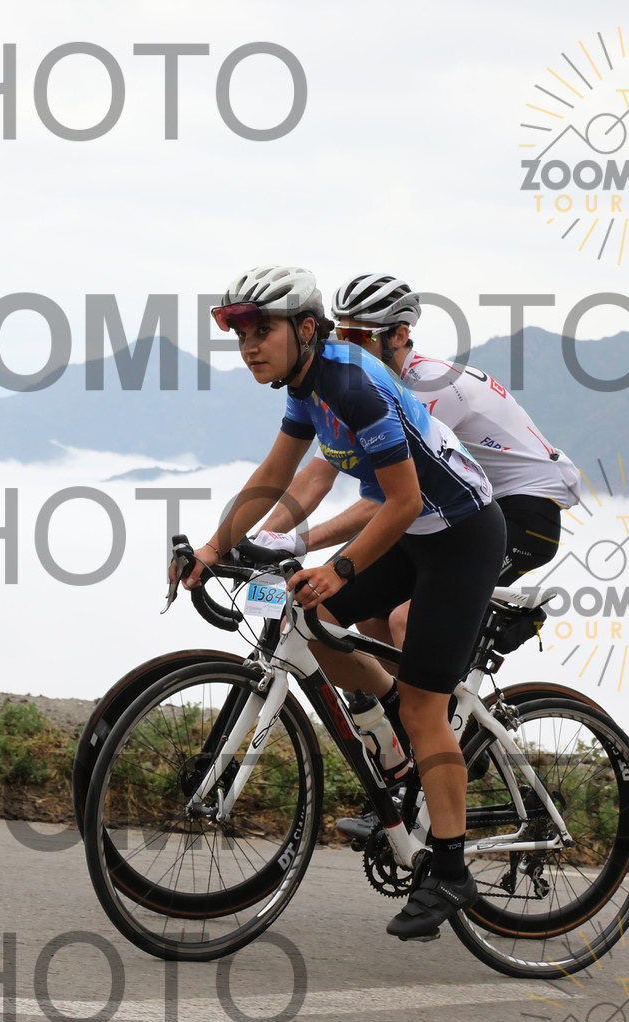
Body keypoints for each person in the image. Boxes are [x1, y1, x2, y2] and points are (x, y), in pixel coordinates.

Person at [183, 264, 508, 941]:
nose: (248, 347)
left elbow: (405, 500)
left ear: (306, 328)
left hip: (461, 534)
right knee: (314, 620)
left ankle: (451, 869)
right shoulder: (305, 385)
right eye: (240, 334)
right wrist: (216, 547)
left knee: (424, 704)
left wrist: (339, 567)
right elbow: (276, 475)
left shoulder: (351, 383)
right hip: (412, 530)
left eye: (261, 331)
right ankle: (400, 737)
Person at [254, 272, 583, 841]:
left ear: (400, 336)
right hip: (445, 516)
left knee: (407, 620)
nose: (347, 346)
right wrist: (266, 535)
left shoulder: (426, 388)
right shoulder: (358, 383)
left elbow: (389, 502)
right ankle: (409, 760)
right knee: (367, 620)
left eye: (362, 336)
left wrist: (305, 543)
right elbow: (320, 471)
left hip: (520, 512)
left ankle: (434, 751)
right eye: (342, 334)